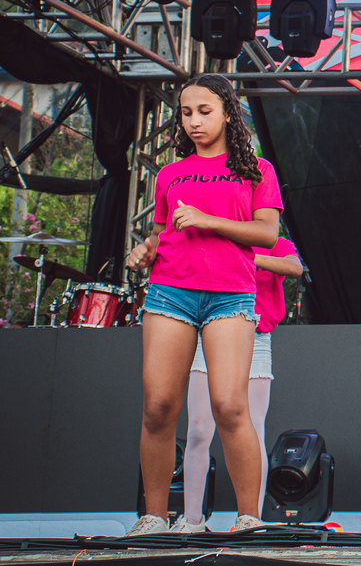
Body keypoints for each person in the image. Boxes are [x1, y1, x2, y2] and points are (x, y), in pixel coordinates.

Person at [125, 74, 283, 536]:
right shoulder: (170, 174)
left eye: (205, 111)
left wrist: (208, 220)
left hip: (230, 295)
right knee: (158, 406)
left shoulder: (257, 170)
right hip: (169, 291)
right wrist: (146, 250)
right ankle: (154, 518)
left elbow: (267, 234)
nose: (194, 121)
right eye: (186, 112)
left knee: (229, 406)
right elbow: (162, 233)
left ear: (229, 113)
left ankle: (248, 520)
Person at [172, 236, 303, 532]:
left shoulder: (275, 242)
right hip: (209, 334)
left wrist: (246, 257)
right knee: (198, 429)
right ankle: (191, 520)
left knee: (254, 429)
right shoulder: (215, 237)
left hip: (256, 336)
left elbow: (294, 268)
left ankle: (250, 519)